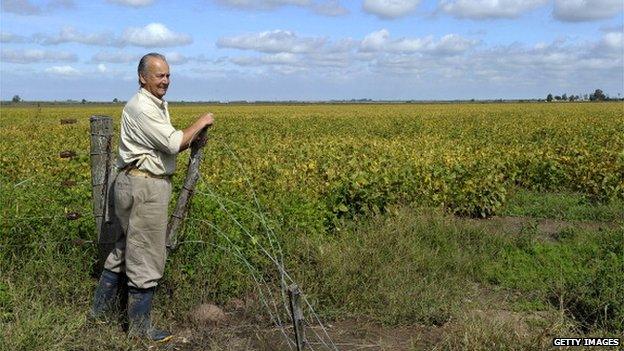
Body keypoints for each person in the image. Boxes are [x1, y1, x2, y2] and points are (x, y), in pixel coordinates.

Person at [90, 52, 214, 342]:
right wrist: (202, 121)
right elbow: (172, 143)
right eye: (159, 75)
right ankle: (140, 329)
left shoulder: (150, 105)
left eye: (168, 75)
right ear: (142, 78)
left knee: (122, 250)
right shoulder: (143, 107)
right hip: (145, 188)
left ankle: (100, 315)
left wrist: (188, 138)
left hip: (133, 182)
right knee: (146, 255)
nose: (166, 81)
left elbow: (165, 146)